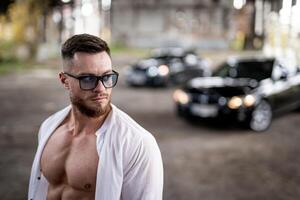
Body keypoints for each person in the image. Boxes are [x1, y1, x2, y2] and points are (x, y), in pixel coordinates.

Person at [28, 34, 163, 200]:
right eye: (88, 78)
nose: (101, 88)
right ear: (64, 81)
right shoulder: (49, 127)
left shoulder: (138, 143)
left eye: (107, 76)